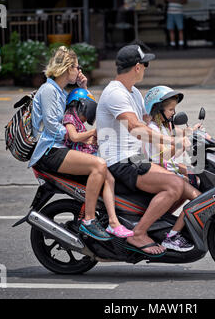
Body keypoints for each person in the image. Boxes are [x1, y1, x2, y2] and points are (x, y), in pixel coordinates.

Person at [96, 44, 199, 256]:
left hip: (136, 158)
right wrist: (170, 142)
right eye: (146, 64)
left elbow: (150, 123)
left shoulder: (132, 92)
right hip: (121, 161)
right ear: (136, 67)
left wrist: (183, 133)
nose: (146, 68)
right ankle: (139, 233)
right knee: (174, 185)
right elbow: (135, 127)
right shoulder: (115, 93)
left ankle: (153, 224)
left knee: (183, 182)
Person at [28, 46, 111, 241]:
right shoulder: (48, 90)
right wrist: (81, 135)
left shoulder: (61, 92)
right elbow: (52, 128)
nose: (79, 71)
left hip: (62, 147)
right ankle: (89, 220)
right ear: (67, 68)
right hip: (50, 151)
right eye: (77, 67)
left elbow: (80, 115)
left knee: (107, 163)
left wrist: (83, 88)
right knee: (98, 165)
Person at [63, 88, 134, 238]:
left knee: (113, 176)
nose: (87, 115)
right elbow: (74, 137)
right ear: (80, 105)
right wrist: (94, 132)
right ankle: (113, 221)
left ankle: (114, 218)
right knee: (110, 179)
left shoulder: (78, 121)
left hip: (91, 154)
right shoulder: (69, 117)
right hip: (83, 159)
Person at [143, 85, 204, 252]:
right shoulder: (153, 129)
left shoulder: (164, 126)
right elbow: (163, 156)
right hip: (157, 171)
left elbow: (181, 133)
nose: (173, 113)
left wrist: (195, 132)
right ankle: (173, 236)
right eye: (170, 109)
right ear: (157, 109)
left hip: (168, 169)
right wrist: (181, 145)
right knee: (199, 200)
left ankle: (162, 220)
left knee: (196, 177)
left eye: (174, 109)